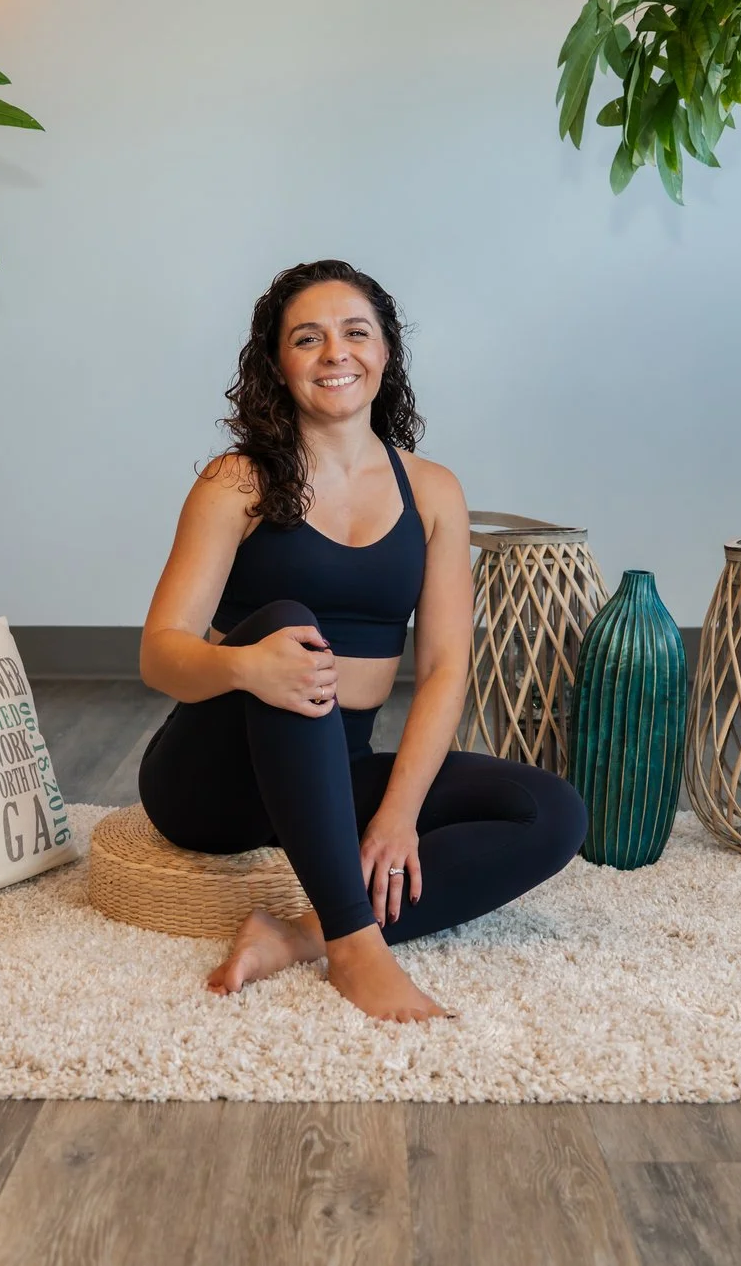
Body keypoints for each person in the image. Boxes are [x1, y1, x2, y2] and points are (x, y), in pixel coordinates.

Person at [136, 260, 587, 1022]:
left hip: (328, 775)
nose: (335, 353)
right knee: (288, 625)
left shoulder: (433, 491)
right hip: (211, 776)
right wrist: (247, 665)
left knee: (550, 813)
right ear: (278, 365)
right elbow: (159, 654)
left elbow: (445, 669)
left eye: (356, 333)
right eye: (307, 338)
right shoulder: (236, 481)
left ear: (386, 353)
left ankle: (298, 937)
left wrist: (399, 812)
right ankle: (355, 947)